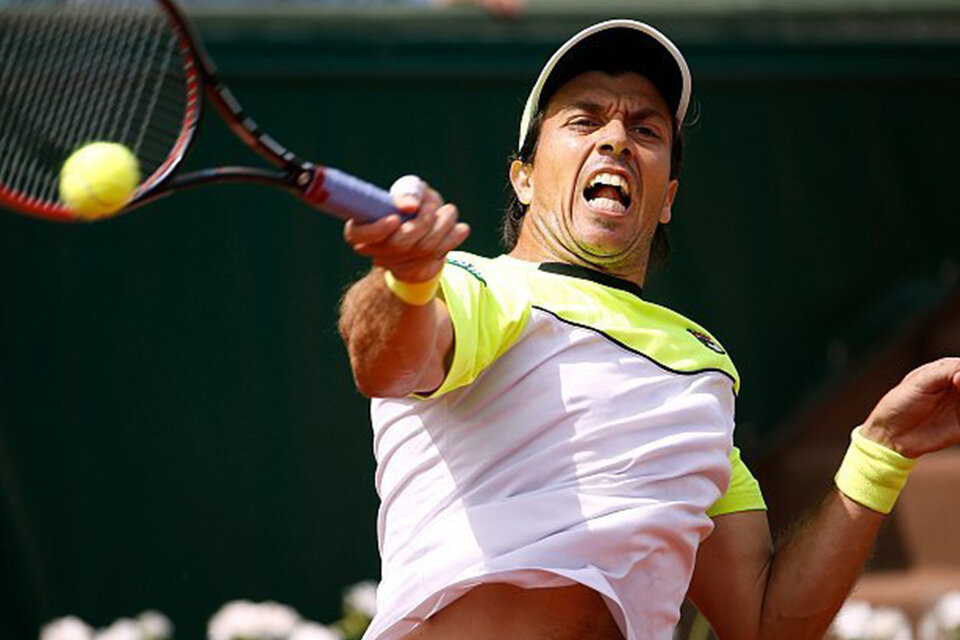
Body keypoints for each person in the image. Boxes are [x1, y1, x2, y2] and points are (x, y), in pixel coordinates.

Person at [337, 19, 960, 640]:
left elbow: (767, 623)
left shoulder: (703, 371)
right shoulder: (472, 286)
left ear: (667, 198)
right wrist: (408, 280)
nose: (616, 140)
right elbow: (385, 365)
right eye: (584, 120)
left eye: (645, 128)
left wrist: (882, 450)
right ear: (523, 178)